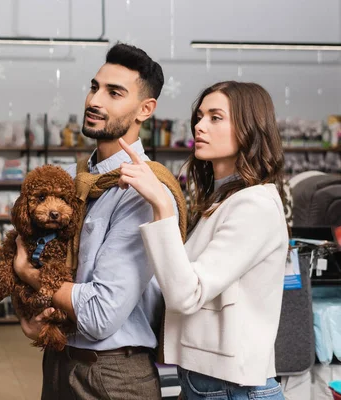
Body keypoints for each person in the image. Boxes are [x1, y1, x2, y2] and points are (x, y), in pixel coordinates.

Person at [12, 43, 178, 399]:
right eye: (94, 87)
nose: (94, 101)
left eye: (114, 93)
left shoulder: (142, 191)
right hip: (59, 361)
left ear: (145, 109)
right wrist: (29, 315)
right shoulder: (74, 181)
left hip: (112, 376)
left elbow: (101, 313)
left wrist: (29, 274)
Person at [119, 81, 288, 399]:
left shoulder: (255, 205)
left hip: (233, 389)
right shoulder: (221, 200)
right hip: (208, 384)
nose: (200, 126)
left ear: (249, 127)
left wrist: (162, 204)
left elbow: (186, 294)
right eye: (199, 117)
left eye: (215, 117)